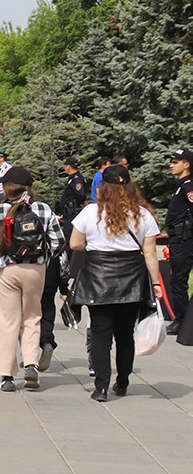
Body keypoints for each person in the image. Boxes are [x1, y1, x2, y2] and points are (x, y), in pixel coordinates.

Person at [69, 164, 164, 401]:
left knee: (101, 333)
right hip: (132, 278)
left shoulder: (90, 213)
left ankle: (101, 387)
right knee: (124, 334)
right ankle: (122, 383)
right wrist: (156, 284)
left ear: (103, 187)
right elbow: (150, 253)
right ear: (129, 186)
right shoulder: (143, 214)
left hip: (98, 276)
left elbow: (75, 244)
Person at [0, 167, 58, 391]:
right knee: (32, 318)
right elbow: (58, 242)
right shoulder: (43, 209)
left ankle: (7, 377)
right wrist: (43, 257)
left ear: (6, 188)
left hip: (6, 271)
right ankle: (31, 363)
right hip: (35, 271)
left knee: (7, 322)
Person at [163, 148, 192, 334]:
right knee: (177, 280)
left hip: (184, 240)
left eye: (176, 162)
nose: (172, 165)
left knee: (179, 280)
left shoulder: (189, 186)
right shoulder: (181, 184)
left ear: (186, 164)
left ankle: (181, 321)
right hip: (178, 239)